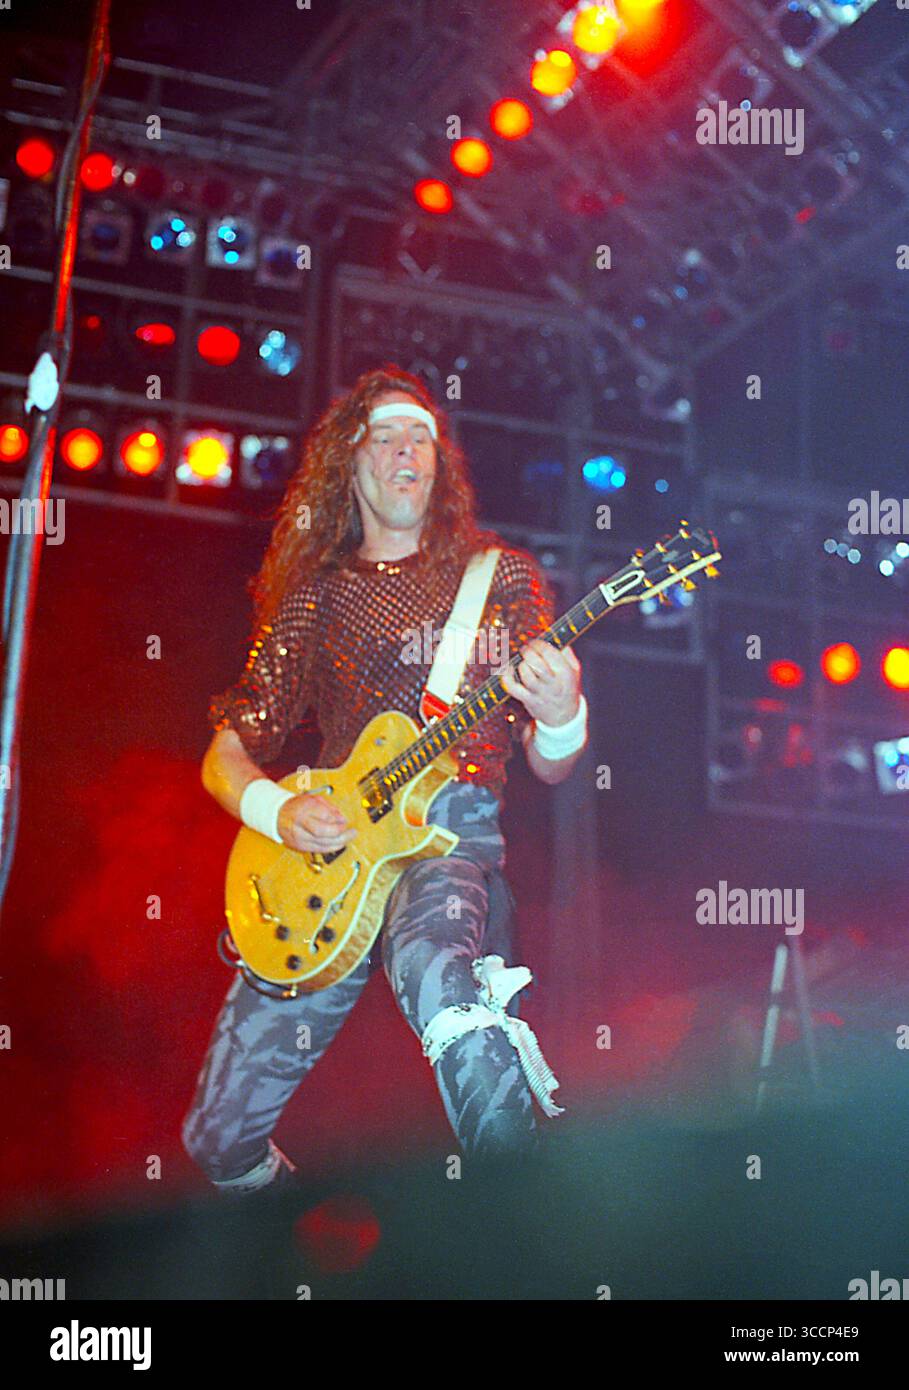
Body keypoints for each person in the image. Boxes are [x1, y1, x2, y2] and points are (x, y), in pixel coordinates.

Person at [181, 364, 588, 1195]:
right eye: (388, 435)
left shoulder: (496, 577)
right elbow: (224, 754)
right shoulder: (316, 597)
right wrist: (280, 810)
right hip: (325, 865)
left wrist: (563, 710)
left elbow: (552, 763)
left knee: (446, 983)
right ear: (350, 461)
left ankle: (529, 1228)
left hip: (446, 832)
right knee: (218, 1140)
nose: (409, 451)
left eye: (423, 439)